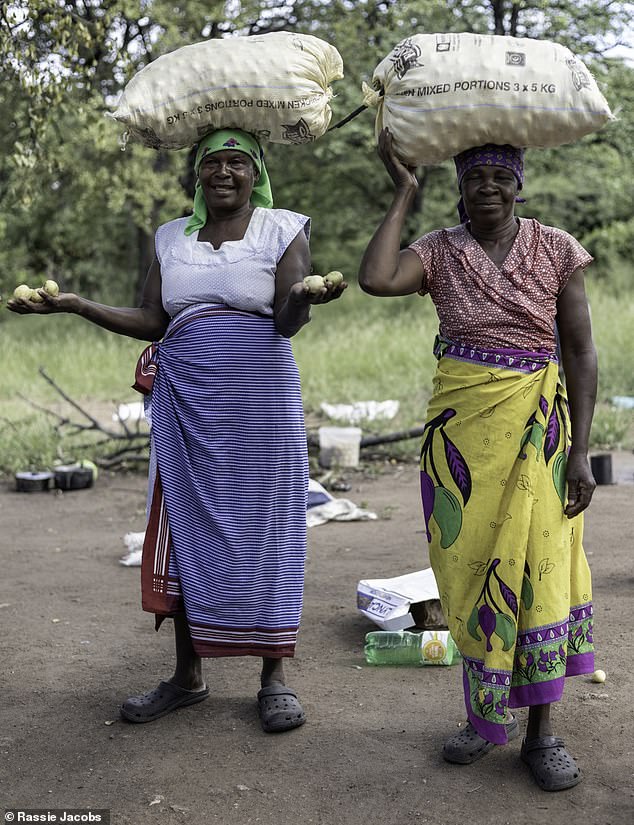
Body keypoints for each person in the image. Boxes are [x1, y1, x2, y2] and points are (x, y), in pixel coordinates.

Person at [7, 128, 346, 733]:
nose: (222, 173)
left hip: (261, 403)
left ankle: (274, 678)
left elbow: (288, 322)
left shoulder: (283, 227)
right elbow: (152, 319)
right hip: (186, 401)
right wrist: (80, 306)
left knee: (268, 526)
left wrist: (302, 295)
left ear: (255, 172)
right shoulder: (171, 237)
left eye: (236, 163)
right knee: (185, 524)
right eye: (210, 163)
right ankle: (187, 676)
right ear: (196, 175)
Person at [358, 130, 597, 791]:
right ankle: (482, 716)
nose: (486, 188)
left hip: (539, 438)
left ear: (519, 184)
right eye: (474, 179)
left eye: (499, 177)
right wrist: (405, 190)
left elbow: (580, 351)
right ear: (459, 188)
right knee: (466, 574)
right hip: (459, 444)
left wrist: (581, 452)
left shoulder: (557, 249)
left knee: (540, 572)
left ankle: (542, 733)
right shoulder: (436, 252)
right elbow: (375, 277)